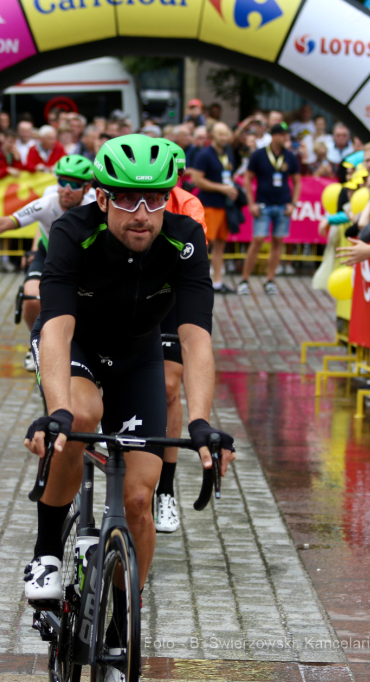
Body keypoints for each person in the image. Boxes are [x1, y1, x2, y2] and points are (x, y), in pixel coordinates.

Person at [21, 138, 236, 653]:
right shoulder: (74, 232)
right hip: (79, 348)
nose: (142, 215)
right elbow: (54, 326)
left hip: (137, 357)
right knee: (81, 417)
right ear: (101, 195)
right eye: (126, 200)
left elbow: (196, 337)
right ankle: (48, 549)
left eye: (156, 199)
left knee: (140, 498)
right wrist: (56, 412)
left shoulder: (185, 239)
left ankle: (123, 617)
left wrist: (202, 422)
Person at [0, 155, 96, 369]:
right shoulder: (47, 204)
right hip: (48, 255)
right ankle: (36, 345)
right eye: (62, 182)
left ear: (87, 187)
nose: (66, 188)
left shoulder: (95, 207)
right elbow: (5, 223)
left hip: (81, 261)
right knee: (31, 297)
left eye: (74, 184)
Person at [153, 141, 207, 533]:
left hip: (171, 297)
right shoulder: (121, 198)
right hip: (126, 292)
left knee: (171, 387)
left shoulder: (188, 206)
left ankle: (166, 491)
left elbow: (188, 258)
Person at [237, 123, 301, 294]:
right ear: (273, 136)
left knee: (278, 242)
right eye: (281, 134)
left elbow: (297, 181)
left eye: (286, 134)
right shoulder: (259, 155)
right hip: (263, 204)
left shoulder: (290, 156)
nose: (285, 137)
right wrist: (251, 203)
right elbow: (248, 179)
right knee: (257, 240)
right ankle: (244, 279)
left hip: (282, 204)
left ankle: (270, 279)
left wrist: (293, 203)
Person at [189, 122, 239, 293]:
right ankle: (196, 282)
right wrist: (221, 188)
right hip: (209, 204)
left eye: (226, 134)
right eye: (220, 134)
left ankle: (217, 282)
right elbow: (197, 180)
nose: (224, 137)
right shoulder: (204, 155)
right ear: (212, 135)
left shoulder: (228, 154)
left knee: (221, 245)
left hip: (224, 205)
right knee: (204, 245)